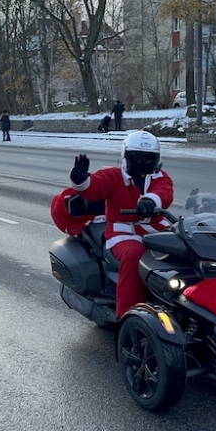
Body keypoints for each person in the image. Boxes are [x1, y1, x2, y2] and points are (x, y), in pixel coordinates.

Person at [68, 131, 173, 318]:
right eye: (136, 157)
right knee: (134, 255)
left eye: (147, 158)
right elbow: (96, 186)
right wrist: (81, 180)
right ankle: (127, 313)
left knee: (184, 250)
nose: (142, 162)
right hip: (123, 233)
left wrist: (150, 200)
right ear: (126, 156)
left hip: (157, 230)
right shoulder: (113, 175)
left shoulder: (160, 177)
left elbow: (164, 192)